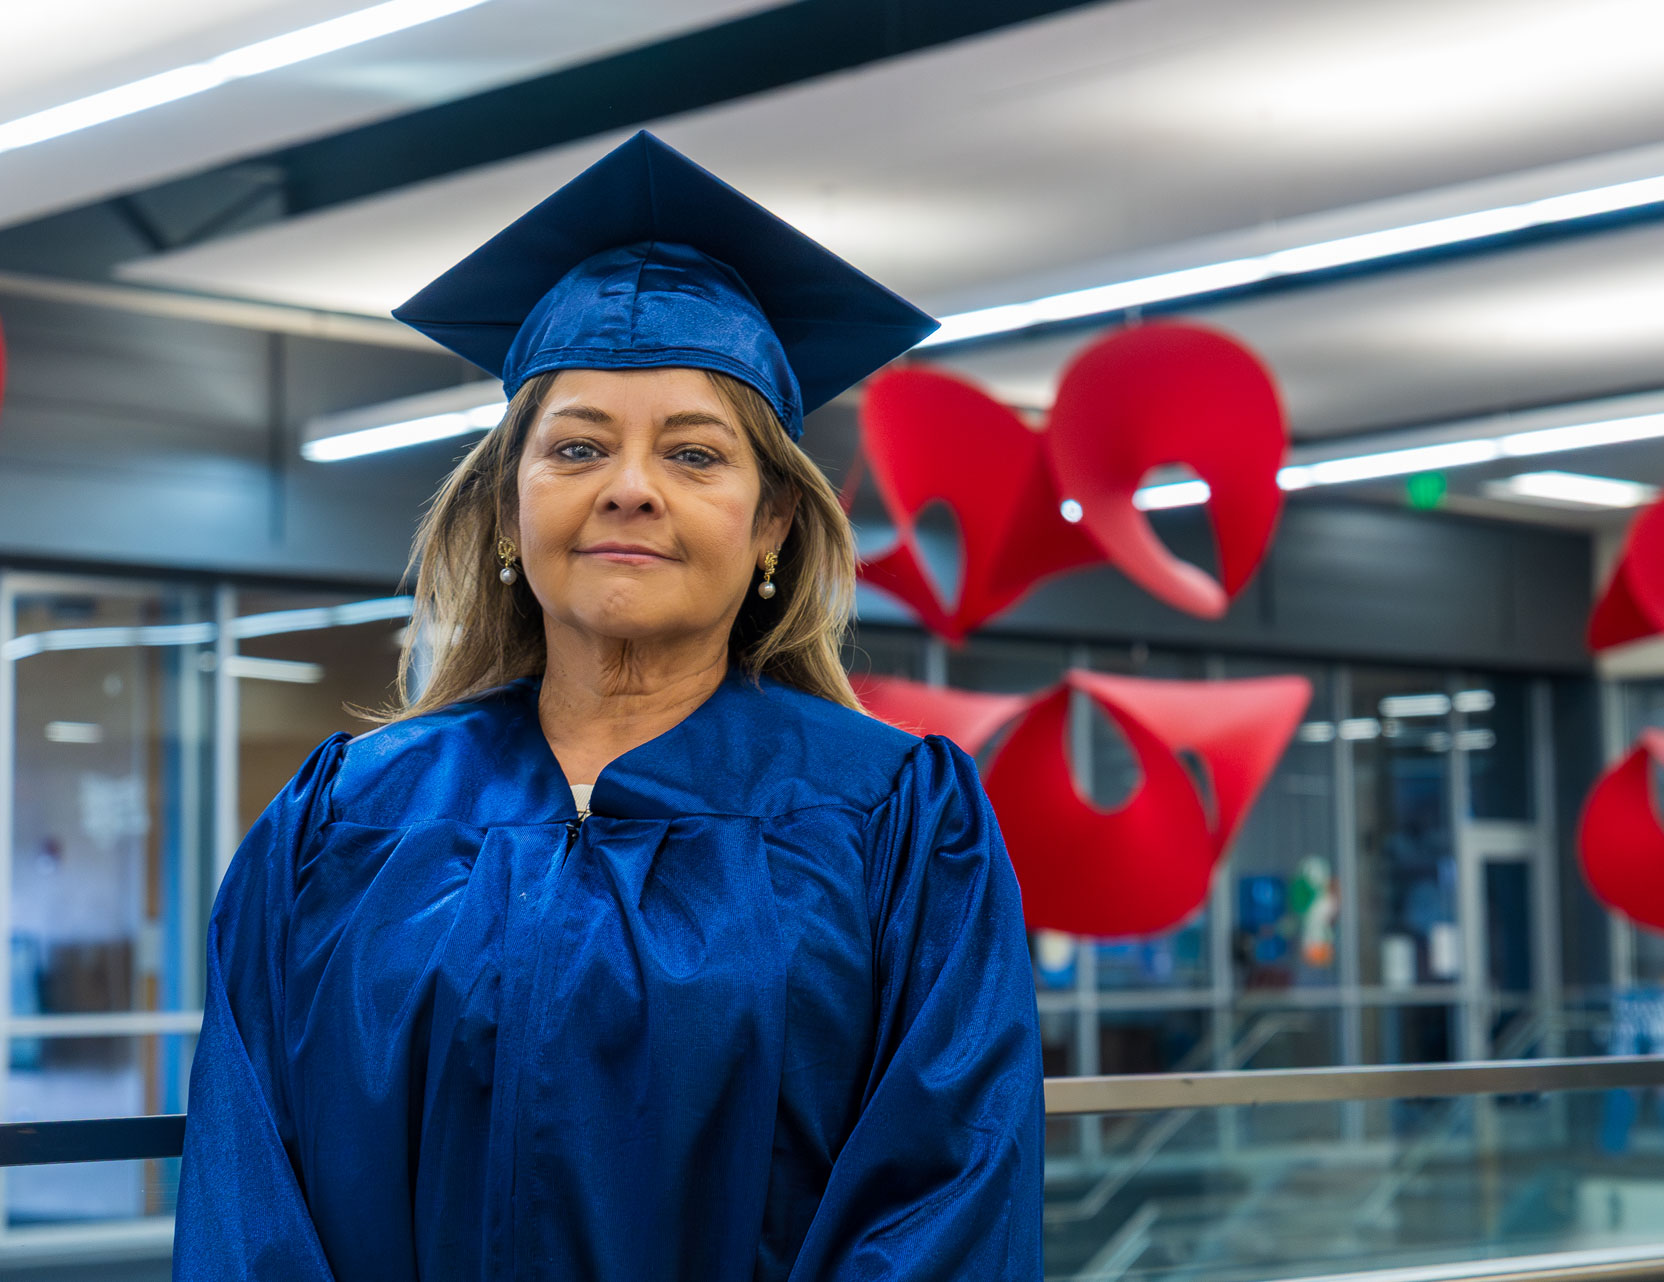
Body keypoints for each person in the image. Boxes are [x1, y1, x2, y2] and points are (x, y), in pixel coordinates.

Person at [173, 131, 1044, 1280]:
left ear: (773, 522)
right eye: (577, 445)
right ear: (506, 507)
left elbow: (948, 1198)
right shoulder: (342, 820)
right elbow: (247, 1190)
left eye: (695, 454)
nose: (629, 486)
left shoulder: (897, 826)